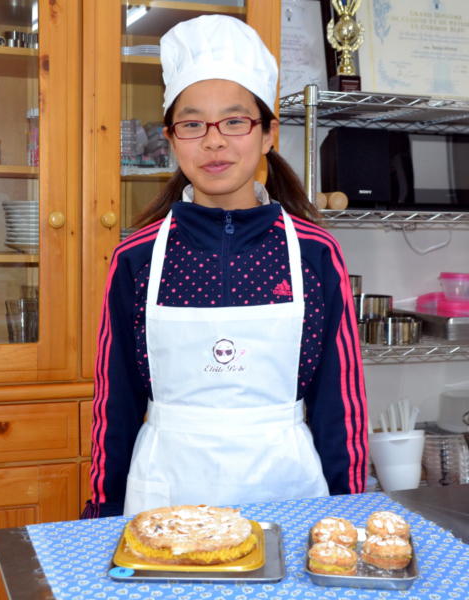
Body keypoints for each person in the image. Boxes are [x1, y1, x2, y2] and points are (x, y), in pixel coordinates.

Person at [82, 14, 368, 519]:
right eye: (192, 124)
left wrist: (351, 512)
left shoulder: (315, 253)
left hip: (288, 496)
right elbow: (115, 404)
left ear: (268, 134)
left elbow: (339, 404)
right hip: (167, 501)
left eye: (235, 121)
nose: (213, 141)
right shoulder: (137, 257)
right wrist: (102, 515)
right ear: (171, 138)